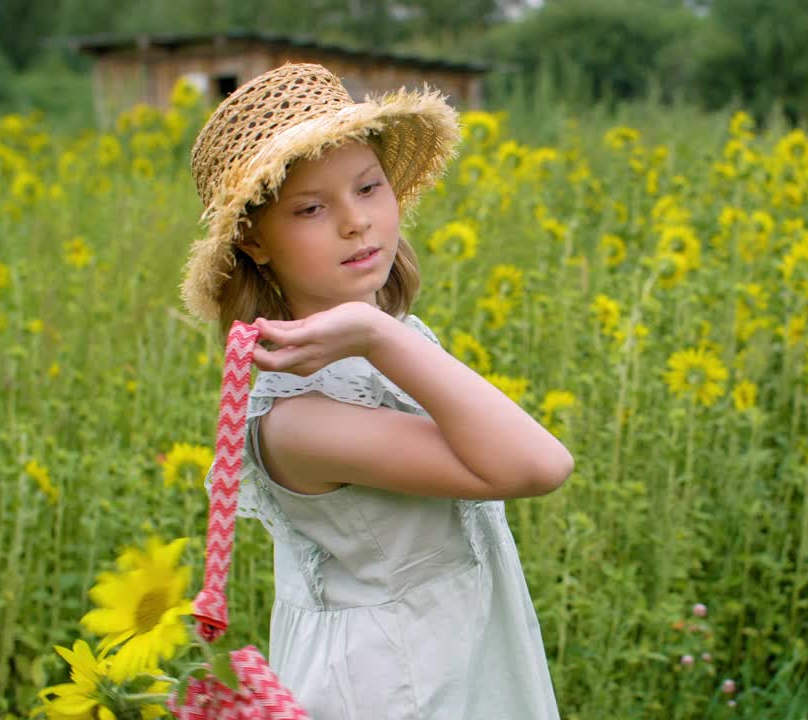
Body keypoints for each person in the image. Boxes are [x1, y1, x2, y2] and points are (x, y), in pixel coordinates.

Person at [183, 62, 571, 718]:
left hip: (456, 658)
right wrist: (378, 336)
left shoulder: (384, 340)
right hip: (397, 690)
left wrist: (380, 336)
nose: (356, 222)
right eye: (310, 208)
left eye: (369, 187)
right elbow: (539, 465)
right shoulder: (300, 418)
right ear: (253, 240)